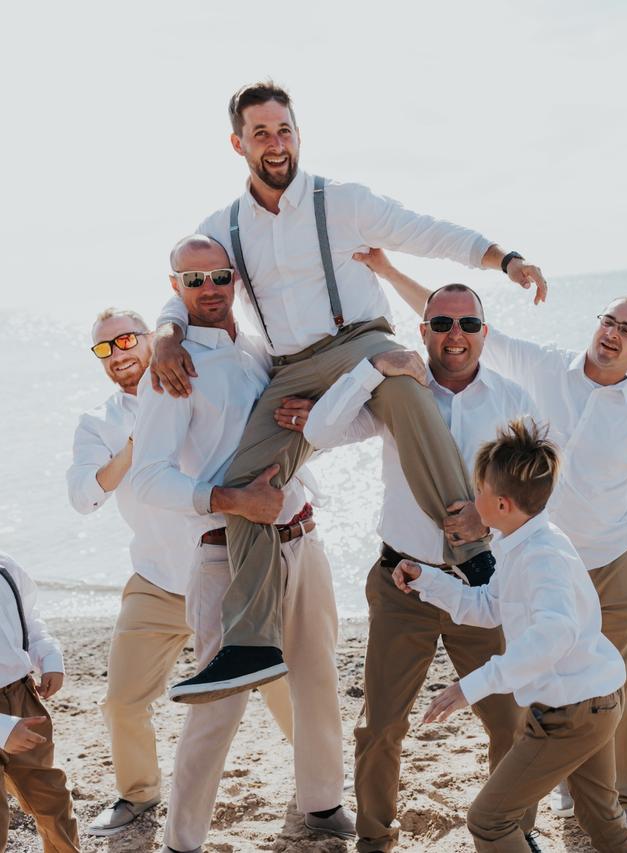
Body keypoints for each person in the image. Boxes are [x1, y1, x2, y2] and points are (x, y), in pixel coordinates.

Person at [147, 81, 550, 702]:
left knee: (409, 392)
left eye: (284, 130)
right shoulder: (221, 225)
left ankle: (475, 556)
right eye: (261, 133)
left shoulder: (344, 202)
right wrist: (167, 332)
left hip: (363, 341)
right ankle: (251, 639)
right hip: (290, 367)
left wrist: (506, 259)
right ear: (239, 143)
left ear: (298, 134)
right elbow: (185, 280)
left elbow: (428, 231)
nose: (275, 144)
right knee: (248, 478)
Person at [360, 249, 627, 843]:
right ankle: (558, 785)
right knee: (544, 681)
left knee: (618, 683)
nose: (613, 334)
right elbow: (458, 328)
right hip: (537, 558)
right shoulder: (542, 368)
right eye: (609, 321)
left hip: (611, 562)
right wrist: (387, 270)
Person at [131, 235, 353, 850]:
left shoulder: (259, 349)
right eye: (193, 280)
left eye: (219, 277)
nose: (209, 290)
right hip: (223, 552)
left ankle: (323, 803)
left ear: (236, 278)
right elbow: (147, 476)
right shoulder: (172, 368)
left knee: (317, 681)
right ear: (174, 285)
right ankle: (183, 840)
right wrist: (232, 501)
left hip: (302, 538)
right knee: (218, 701)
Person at [303, 284, 540, 852]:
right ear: (423, 331)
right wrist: (372, 369)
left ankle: (512, 836)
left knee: (510, 724)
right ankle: (374, 839)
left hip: (482, 586)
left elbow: (541, 493)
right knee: (381, 725)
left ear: (485, 331)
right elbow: (319, 431)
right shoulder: (397, 394)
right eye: (440, 323)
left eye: (468, 323)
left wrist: (486, 524)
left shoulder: (511, 400)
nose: (454, 335)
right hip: (402, 584)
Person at [67, 308, 295, 837]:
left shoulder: (193, 384)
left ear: (151, 337)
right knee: (122, 703)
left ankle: (317, 790)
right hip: (156, 583)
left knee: (284, 689)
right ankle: (138, 795)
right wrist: (136, 444)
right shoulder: (98, 422)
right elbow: (83, 496)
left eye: (126, 339)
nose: (118, 353)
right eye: (104, 348)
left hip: (224, 575)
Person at [394, 421, 627, 853]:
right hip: (591, 699)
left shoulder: (542, 554)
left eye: (479, 492)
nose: (474, 500)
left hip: (574, 712)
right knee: (600, 817)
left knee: (489, 821)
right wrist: (426, 581)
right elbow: (490, 607)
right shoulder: (521, 542)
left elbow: (555, 632)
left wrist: (473, 685)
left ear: (503, 504)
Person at [0, 549, 78, 852]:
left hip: (21, 698)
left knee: (51, 796)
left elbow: (28, 618)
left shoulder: (6, 565)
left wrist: (48, 656)